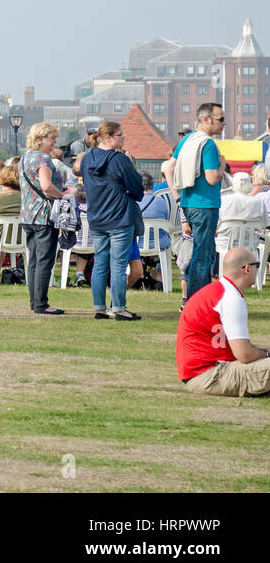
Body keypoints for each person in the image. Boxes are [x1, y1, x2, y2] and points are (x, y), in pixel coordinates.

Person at [176, 248, 270, 396]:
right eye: (256, 265)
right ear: (246, 269)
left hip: (202, 373)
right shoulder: (231, 298)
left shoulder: (221, 291)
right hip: (210, 375)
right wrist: (265, 353)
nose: (258, 269)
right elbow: (244, 354)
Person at [161, 103, 226, 306]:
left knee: (199, 251)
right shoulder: (208, 144)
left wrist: (177, 196)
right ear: (206, 119)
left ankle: (192, 299)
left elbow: (168, 168)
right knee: (203, 254)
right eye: (220, 119)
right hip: (205, 204)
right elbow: (212, 178)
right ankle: (197, 301)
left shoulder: (187, 140)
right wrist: (222, 164)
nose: (223, 123)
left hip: (188, 203)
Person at [81, 121, 145, 321]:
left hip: (97, 217)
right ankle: (118, 308)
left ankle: (99, 307)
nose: (123, 138)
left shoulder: (86, 159)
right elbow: (137, 188)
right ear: (108, 138)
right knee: (117, 265)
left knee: (100, 263)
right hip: (119, 217)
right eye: (120, 135)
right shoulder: (120, 160)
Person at [19, 122, 75, 316]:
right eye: (52, 138)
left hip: (27, 214)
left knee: (33, 260)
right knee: (45, 260)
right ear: (41, 138)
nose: (54, 142)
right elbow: (46, 186)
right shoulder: (43, 159)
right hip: (44, 215)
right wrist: (62, 195)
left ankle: (35, 302)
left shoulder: (25, 157)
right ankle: (41, 303)